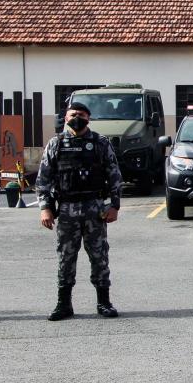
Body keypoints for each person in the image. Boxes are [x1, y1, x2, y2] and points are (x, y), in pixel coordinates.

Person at [37, 102, 122, 320]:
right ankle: (63, 304)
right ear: (65, 118)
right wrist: (45, 207)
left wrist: (114, 205)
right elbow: (43, 178)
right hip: (66, 209)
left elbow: (114, 175)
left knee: (99, 256)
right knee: (66, 257)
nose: (77, 117)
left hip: (94, 209)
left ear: (89, 118)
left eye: (82, 114)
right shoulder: (56, 143)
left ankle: (104, 302)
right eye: (73, 114)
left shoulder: (100, 143)